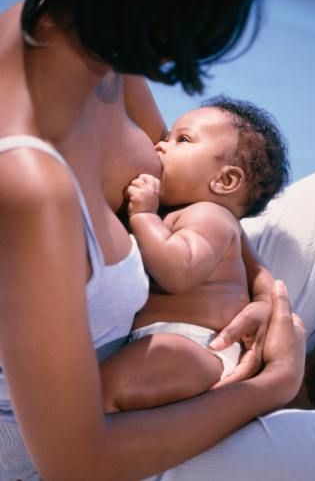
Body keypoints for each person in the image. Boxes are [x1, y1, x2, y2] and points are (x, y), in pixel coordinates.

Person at [0, 0, 315, 480]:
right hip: (80, 444)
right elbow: (78, 461)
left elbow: (200, 194)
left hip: (182, 324)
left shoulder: (92, 37)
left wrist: (265, 289)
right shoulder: (28, 181)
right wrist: (271, 385)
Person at [100, 96, 290, 412]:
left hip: (193, 346)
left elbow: (179, 271)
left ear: (225, 180)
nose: (160, 146)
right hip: (175, 344)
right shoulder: (197, 216)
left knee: (101, 391)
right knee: (105, 391)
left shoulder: (209, 217)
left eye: (182, 140)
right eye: (167, 137)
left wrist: (144, 216)